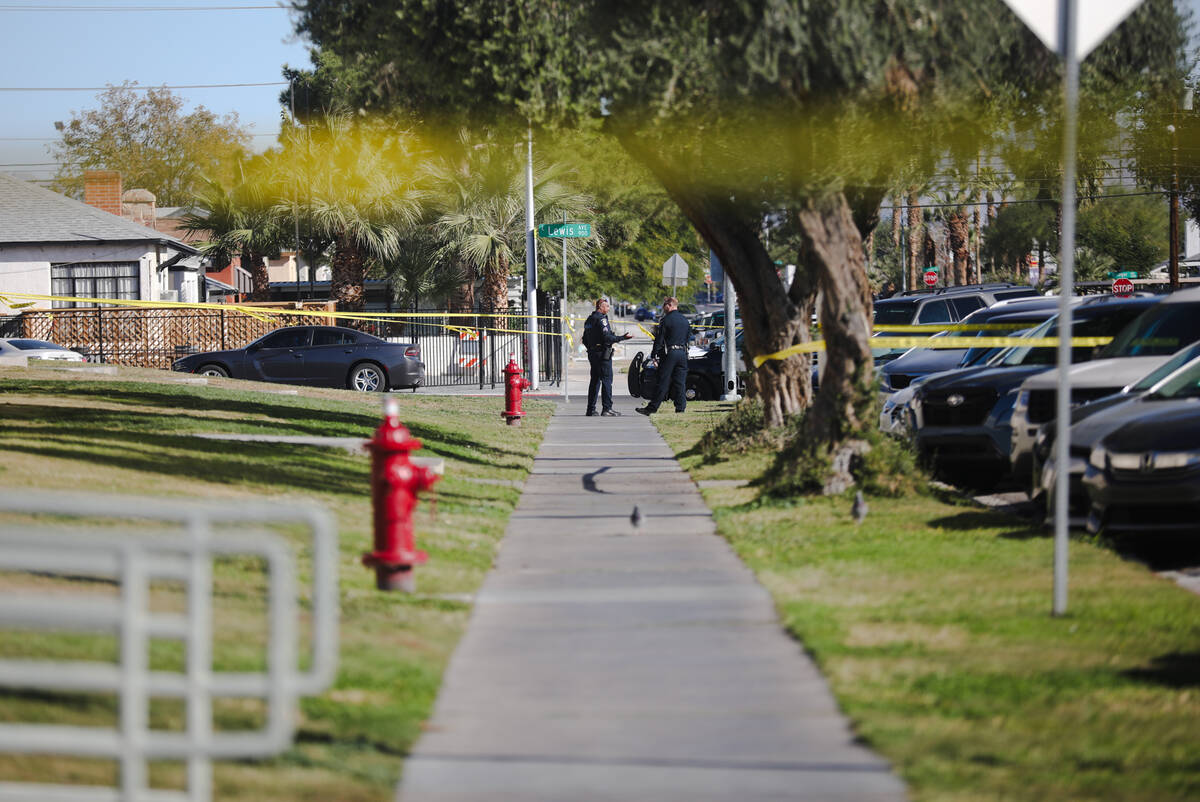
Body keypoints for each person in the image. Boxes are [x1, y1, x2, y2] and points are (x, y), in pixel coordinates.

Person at [637, 296, 692, 415]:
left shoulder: (666, 320)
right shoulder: (684, 320)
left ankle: (652, 408)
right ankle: (680, 408)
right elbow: (688, 338)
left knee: (663, 381)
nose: (663, 308)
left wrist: (654, 355)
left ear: (669, 305)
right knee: (680, 383)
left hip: (670, 354)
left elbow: (659, 340)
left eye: (664, 306)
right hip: (682, 353)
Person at [583, 297, 633, 417]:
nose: (609, 308)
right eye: (607, 306)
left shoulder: (589, 319)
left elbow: (584, 339)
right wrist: (622, 338)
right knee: (606, 380)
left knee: (594, 381)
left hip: (592, 353)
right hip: (602, 353)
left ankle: (591, 409)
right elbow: (607, 337)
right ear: (601, 307)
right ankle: (607, 408)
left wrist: (591, 348)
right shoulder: (602, 319)